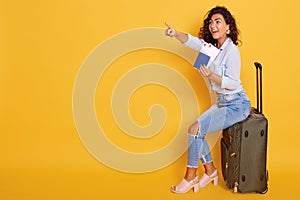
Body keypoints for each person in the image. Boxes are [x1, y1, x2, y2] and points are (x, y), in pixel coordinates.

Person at [165, 6, 251, 194]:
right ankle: (211, 171)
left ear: (228, 27)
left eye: (218, 21)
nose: (213, 25)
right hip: (223, 103)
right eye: (211, 22)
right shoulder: (212, 49)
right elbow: (193, 42)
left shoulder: (232, 51)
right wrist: (175, 34)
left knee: (195, 131)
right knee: (195, 130)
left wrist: (212, 75)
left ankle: (190, 177)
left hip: (237, 104)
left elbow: (232, 83)